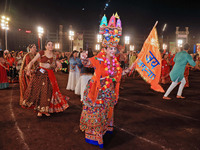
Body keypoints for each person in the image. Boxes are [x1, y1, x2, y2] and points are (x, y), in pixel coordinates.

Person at [79, 14, 135, 148]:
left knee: (106, 111)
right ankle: (95, 136)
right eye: (110, 48)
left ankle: (105, 130)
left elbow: (119, 74)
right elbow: (88, 63)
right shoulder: (99, 58)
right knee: (97, 111)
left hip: (108, 89)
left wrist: (130, 69)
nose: (113, 50)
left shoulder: (115, 62)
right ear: (105, 48)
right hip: (97, 90)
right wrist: (83, 58)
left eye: (114, 48)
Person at [22, 41, 69, 116]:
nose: (51, 46)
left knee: (49, 91)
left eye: (52, 45)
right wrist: (28, 69)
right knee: (41, 91)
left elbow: (53, 66)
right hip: (40, 74)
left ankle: (45, 109)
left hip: (49, 74)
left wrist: (58, 65)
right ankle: (40, 110)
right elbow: (32, 61)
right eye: (49, 45)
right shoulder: (41, 53)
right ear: (46, 46)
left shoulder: (54, 55)